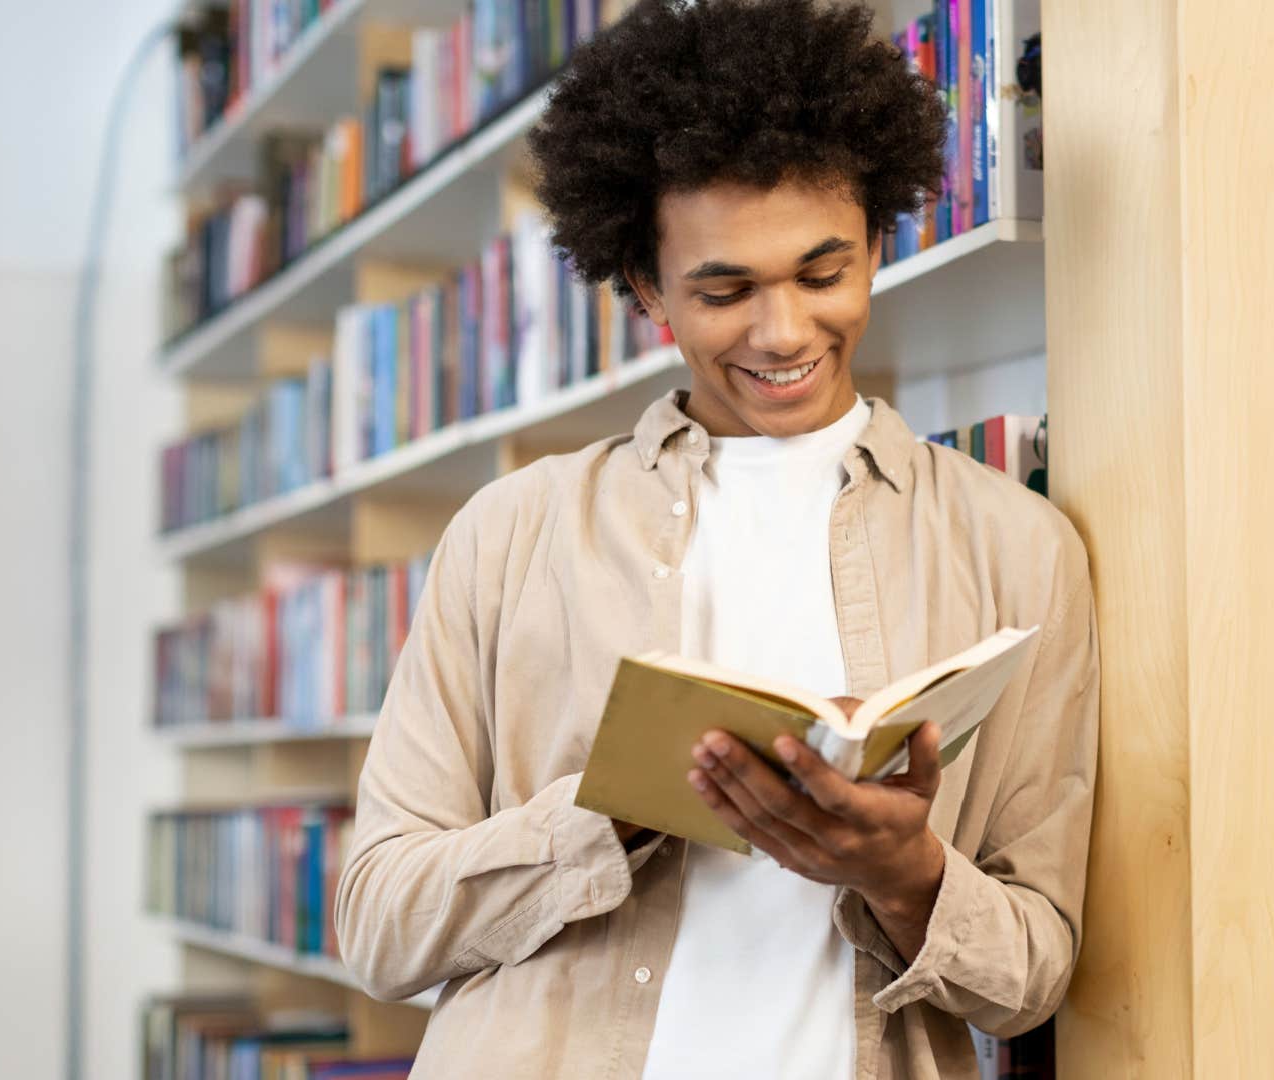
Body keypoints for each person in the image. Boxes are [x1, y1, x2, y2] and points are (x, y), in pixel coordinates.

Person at [332, 1, 1099, 1076]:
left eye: (822, 274)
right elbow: (376, 923)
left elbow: (1033, 979)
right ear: (647, 289)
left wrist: (908, 870)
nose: (784, 333)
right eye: (725, 290)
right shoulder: (511, 532)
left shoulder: (1019, 549)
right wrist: (611, 817)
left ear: (878, 242)